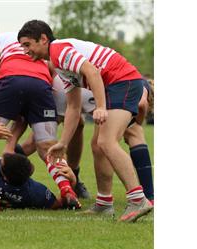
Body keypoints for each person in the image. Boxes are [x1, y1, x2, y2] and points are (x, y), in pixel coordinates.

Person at [18, 20, 153, 222]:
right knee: (98, 146)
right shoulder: (58, 63)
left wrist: (100, 107)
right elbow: (73, 107)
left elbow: (93, 72)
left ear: (43, 39)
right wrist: (63, 142)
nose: (25, 51)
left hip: (122, 82)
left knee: (106, 142)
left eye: (27, 44)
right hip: (116, 85)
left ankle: (138, 199)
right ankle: (104, 203)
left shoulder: (59, 50)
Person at [0, 31, 81, 209]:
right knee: (49, 147)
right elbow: (53, 70)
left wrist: (3, 90)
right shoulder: (40, 45)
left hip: (9, 80)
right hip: (41, 85)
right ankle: (67, 190)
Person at [21, 75, 155, 204]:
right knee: (132, 133)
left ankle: (6, 162)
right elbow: (142, 104)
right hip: (82, 90)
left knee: (55, 134)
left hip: (65, 86)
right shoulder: (140, 84)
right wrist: (138, 121)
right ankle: (145, 196)